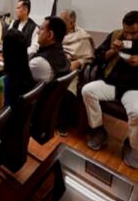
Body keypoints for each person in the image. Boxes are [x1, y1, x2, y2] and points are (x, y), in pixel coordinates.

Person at [82, 11, 138, 168]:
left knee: (137, 112)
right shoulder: (116, 35)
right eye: (126, 32)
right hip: (112, 84)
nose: (129, 36)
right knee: (87, 91)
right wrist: (113, 50)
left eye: (134, 33)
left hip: (134, 90)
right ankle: (98, 130)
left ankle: (133, 146)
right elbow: (98, 57)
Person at [57, 9, 95, 136]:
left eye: (63, 21)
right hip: (57, 63)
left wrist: (78, 63)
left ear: (72, 23)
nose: (60, 23)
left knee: (68, 89)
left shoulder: (82, 36)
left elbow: (89, 57)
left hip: (71, 69)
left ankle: (63, 123)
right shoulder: (57, 32)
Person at [0, 0, 38, 88]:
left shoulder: (34, 27)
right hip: (8, 58)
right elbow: (6, 39)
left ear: (25, 10)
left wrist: (18, 54)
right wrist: (2, 52)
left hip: (21, 60)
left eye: (18, 8)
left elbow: (34, 48)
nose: (16, 10)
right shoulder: (13, 23)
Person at [29, 16, 70, 83]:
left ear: (50, 35)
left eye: (41, 29)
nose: (38, 32)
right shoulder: (62, 54)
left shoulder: (38, 63)